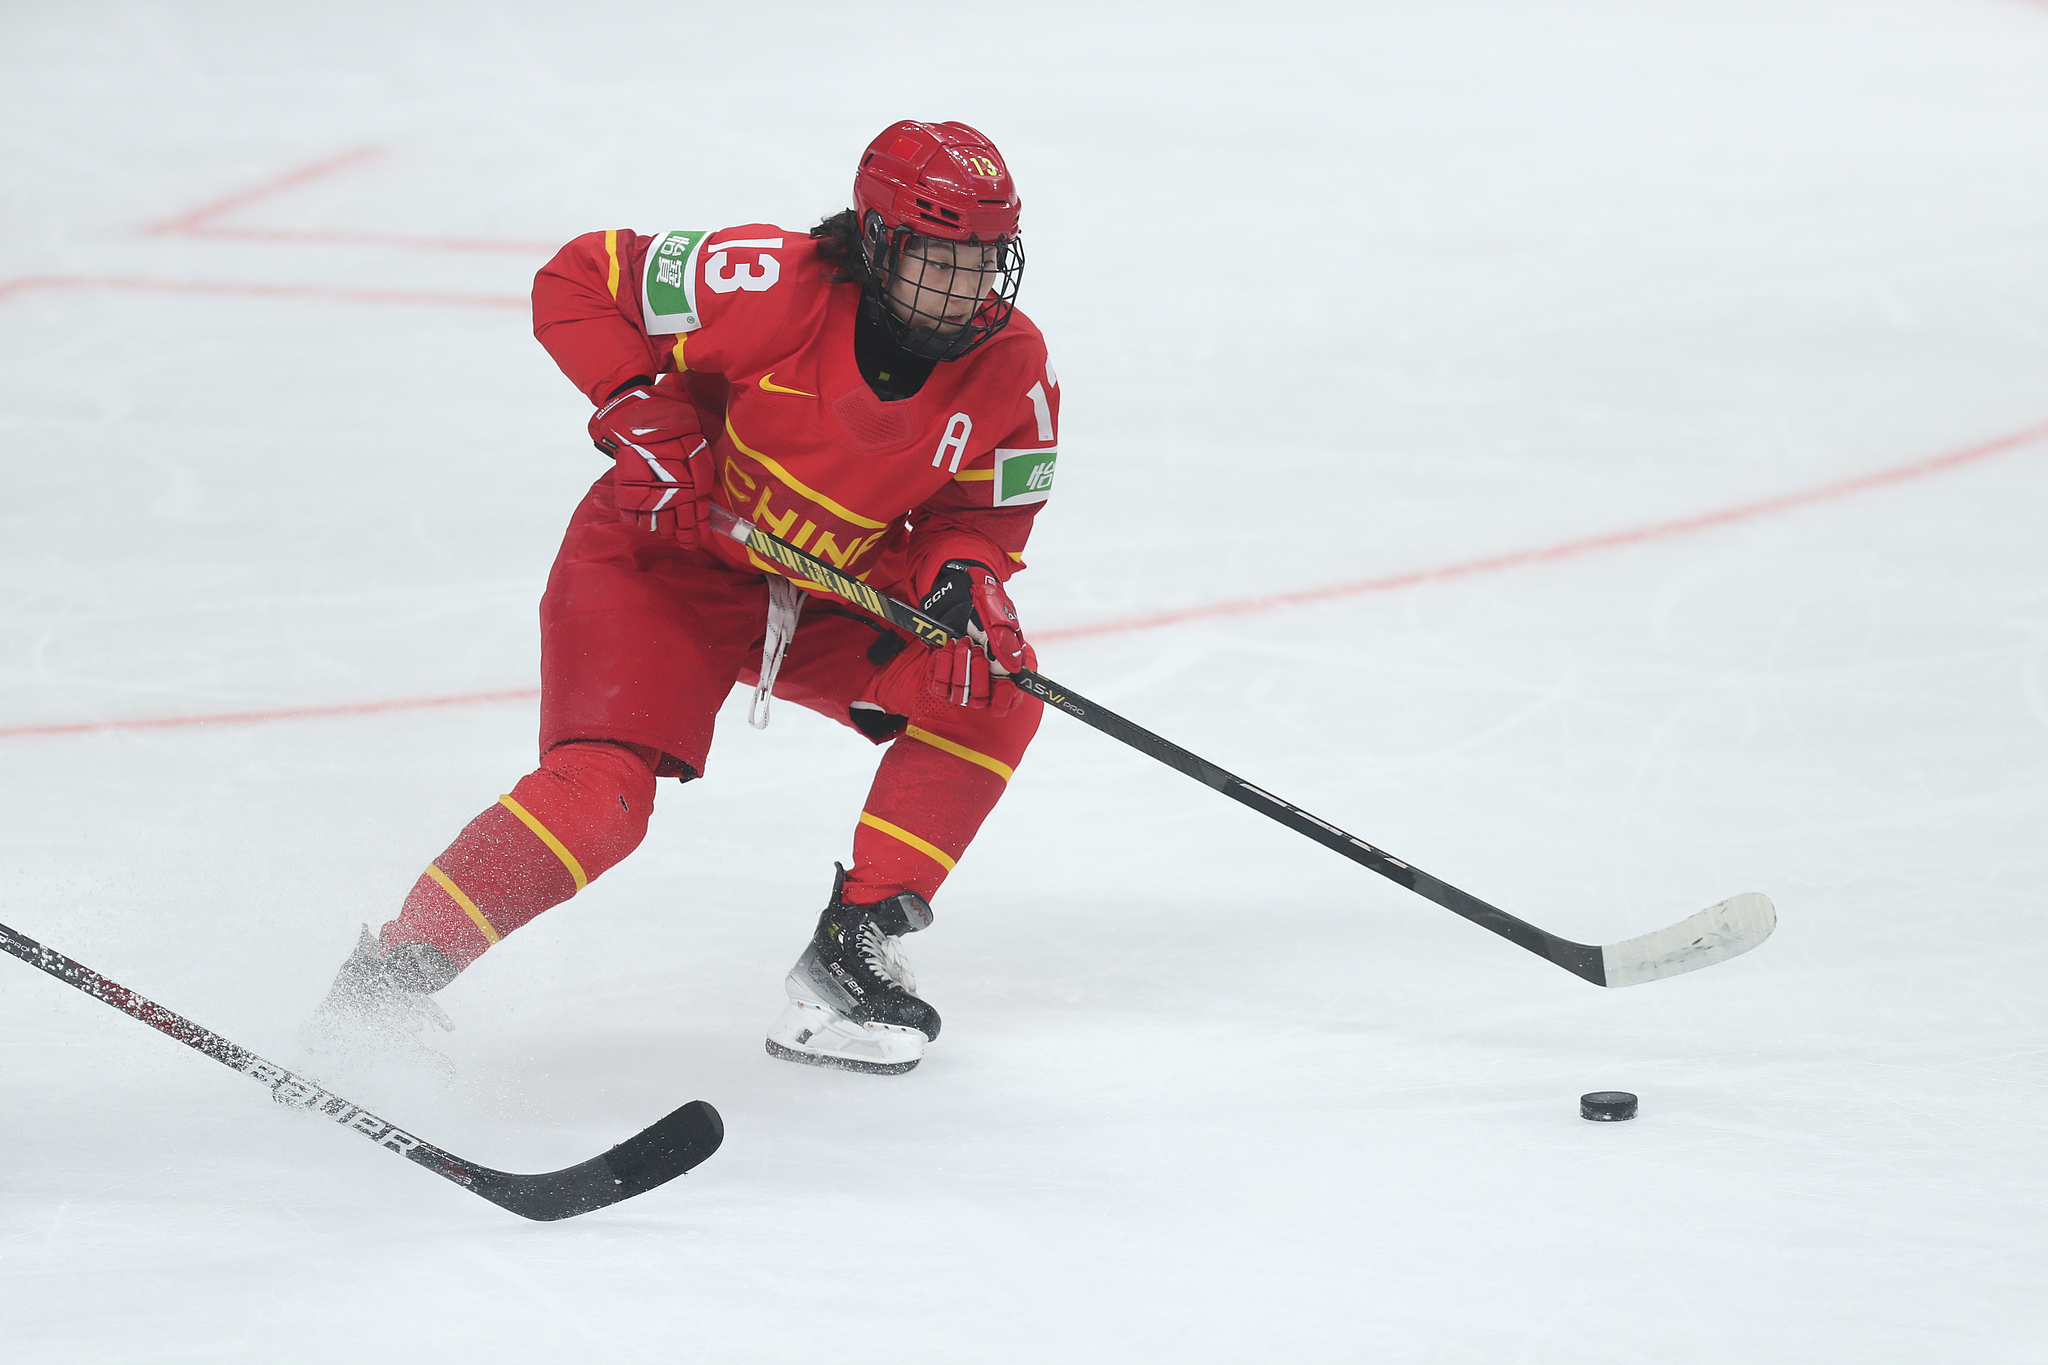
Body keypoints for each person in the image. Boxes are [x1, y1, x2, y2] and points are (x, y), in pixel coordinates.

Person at [310, 120, 1058, 1076]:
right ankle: (386, 982)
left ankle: (855, 940)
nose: (965, 290)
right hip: (660, 563)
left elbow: (981, 514)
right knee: (602, 803)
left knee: (992, 682)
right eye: (938, 259)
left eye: (986, 262)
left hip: (819, 588)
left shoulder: (1015, 367)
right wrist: (639, 410)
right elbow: (578, 278)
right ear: (874, 240)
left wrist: (965, 580)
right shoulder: (765, 282)